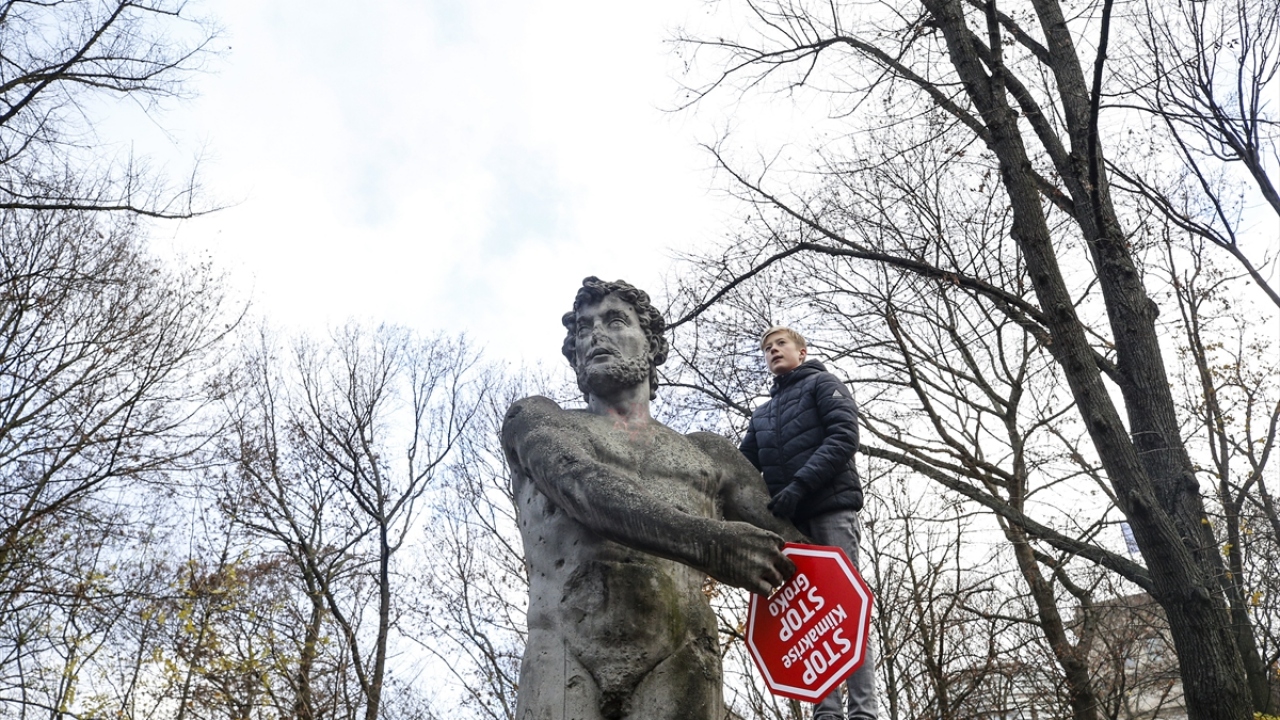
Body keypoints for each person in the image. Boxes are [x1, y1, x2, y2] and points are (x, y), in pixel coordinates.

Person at [501, 277, 806, 720]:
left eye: (614, 321)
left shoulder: (709, 455)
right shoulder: (538, 420)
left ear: (653, 346)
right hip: (564, 651)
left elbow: (799, 557)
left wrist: (824, 473)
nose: (596, 336)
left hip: (682, 654)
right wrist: (712, 543)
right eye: (583, 330)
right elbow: (583, 487)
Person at [739, 326, 878, 720]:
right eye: (766, 348)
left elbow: (843, 436)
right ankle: (826, 711)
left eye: (780, 344)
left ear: (801, 351)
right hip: (791, 528)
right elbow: (742, 465)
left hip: (830, 509)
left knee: (845, 608)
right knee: (810, 616)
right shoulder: (762, 414)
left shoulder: (823, 384)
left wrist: (799, 486)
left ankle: (863, 712)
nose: (772, 351)